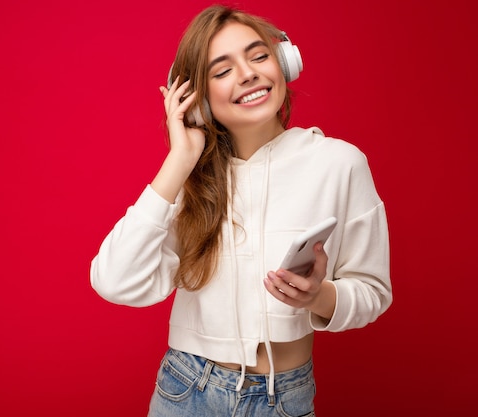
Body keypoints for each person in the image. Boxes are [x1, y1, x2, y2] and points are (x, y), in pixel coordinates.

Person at [90, 4, 392, 416]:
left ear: (284, 64)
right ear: (196, 98)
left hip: (283, 396)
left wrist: (319, 297)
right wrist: (180, 159)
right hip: (184, 390)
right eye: (222, 70)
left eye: (258, 56)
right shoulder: (188, 179)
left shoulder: (339, 163)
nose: (248, 73)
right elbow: (113, 280)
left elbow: (373, 290)